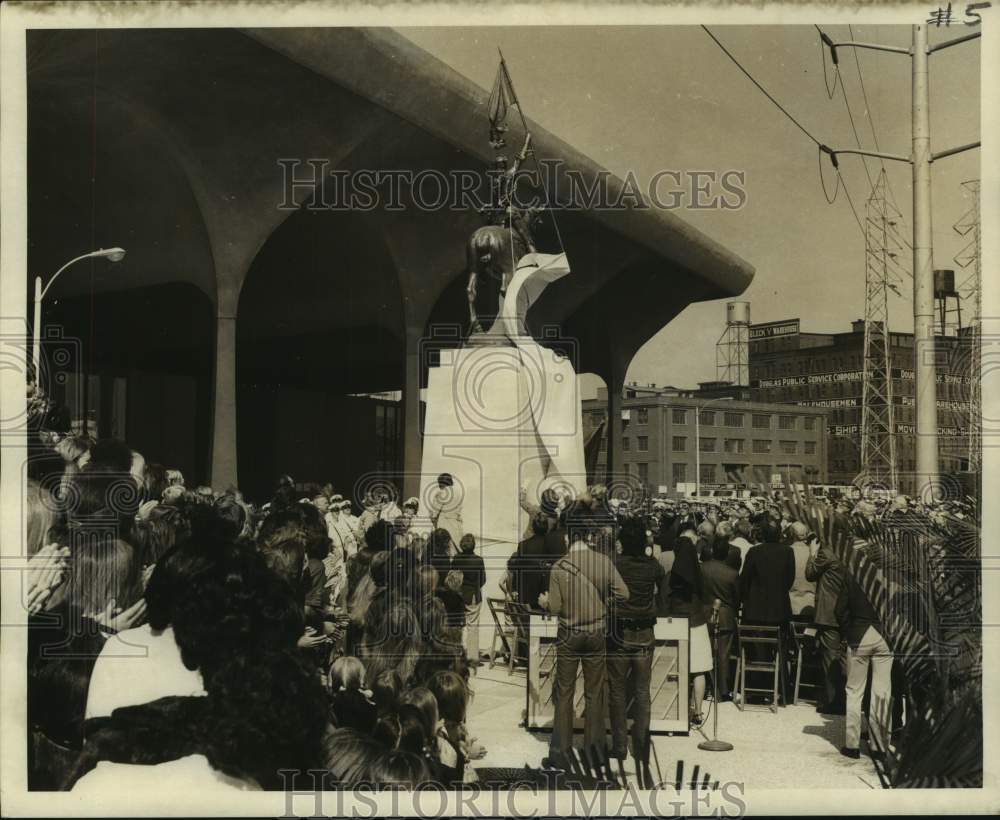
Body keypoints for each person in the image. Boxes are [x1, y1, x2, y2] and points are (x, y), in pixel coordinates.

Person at [538, 503, 628, 769]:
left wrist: (544, 601)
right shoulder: (603, 561)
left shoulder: (559, 567)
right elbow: (624, 594)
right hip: (596, 631)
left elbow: (554, 607)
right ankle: (595, 751)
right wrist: (603, 604)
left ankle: (560, 752)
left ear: (568, 538)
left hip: (568, 633)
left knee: (564, 692)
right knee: (594, 691)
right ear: (589, 536)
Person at [606, 517, 664, 763]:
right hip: (644, 632)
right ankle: (641, 748)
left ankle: (619, 746)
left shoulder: (614, 564)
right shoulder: (653, 566)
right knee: (642, 691)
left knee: (617, 691)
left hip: (619, 632)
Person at [836, 572, 892, 760]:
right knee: (882, 692)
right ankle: (879, 747)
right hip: (884, 635)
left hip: (859, 634)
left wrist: (848, 632)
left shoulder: (853, 574)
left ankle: (852, 745)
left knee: (854, 691)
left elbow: (839, 609)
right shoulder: (891, 575)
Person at [665, 530, 713, 724]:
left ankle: (680, 710)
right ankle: (698, 711)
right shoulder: (699, 573)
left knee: (678, 669)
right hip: (696, 622)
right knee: (699, 669)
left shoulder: (671, 576)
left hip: (675, 623)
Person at [806, 542, 847, 715]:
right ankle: (844, 699)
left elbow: (810, 574)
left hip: (829, 613)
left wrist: (812, 553)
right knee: (844, 657)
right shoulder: (850, 551)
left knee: (830, 658)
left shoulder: (827, 553)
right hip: (846, 611)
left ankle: (834, 702)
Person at [699, 538, 741, 703]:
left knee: (705, 652)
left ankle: (706, 687)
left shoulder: (701, 568)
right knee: (723, 654)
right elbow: (737, 597)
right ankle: (722, 690)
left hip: (703, 613)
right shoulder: (732, 573)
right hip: (725, 615)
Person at [450, 534, 486, 664]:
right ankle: (472, 657)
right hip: (473, 596)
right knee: (473, 627)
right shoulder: (478, 560)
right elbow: (483, 580)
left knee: (458, 626)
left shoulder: (456, 559)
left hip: (458, 595)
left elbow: (452, 578)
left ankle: (456, 655)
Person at [507, 513, 551, 612]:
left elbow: (517, 571)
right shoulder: (551, 545)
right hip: (544, 597)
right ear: (546, 527)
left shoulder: (523, 545)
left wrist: (514, 589)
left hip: (525, 597)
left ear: (533, 527)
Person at [787, 521, 817, 621]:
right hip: (811, 602)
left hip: (791, 602)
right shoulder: (813, 553)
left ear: (791, 534)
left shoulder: (787, 552)